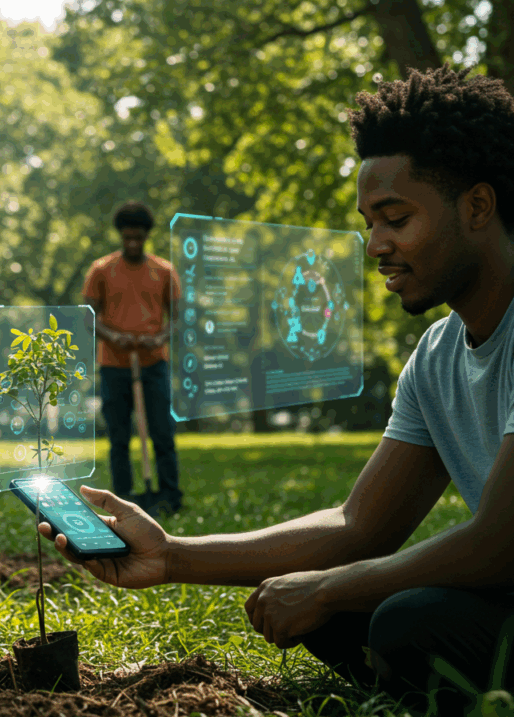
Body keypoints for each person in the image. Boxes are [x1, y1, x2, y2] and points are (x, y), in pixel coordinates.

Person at [42, 64, 514, 714]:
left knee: (400, 617)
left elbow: (500, 542)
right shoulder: (437, 356)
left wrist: (331, 588)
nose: (374, 245)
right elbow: (358, 526)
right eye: (369, 222)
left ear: (478, 207)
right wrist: (172, 556)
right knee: (323, 598)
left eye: (396, 218)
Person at [82, 201, 183, 515]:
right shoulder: (102, 269)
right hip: (114, 366)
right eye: (128, 238)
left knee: (162, 432)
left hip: (154, 364)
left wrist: (160, 337)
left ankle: (169, 496)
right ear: (120, 236)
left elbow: (177, 318)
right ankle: (124, 498)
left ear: (147, 236)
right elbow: (88, 316)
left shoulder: (163, 270)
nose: (133, 244)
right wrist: (113, 337)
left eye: (138, 238)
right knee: (119, 437)